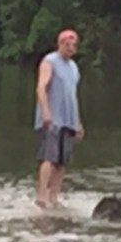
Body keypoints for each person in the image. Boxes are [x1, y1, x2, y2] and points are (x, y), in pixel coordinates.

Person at [34, 28, 84, 208]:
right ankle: (42, 196)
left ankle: (54, 196)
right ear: (60, 44)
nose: (71, 48)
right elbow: (41, 88)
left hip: (68, 119)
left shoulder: (73, 68)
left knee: (62, 161)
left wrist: (78, 122)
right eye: (67, 44)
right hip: (52, 119)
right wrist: (46, 112)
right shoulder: (50, 62)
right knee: (49, 157)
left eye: (73, 45)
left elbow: (73, 96)